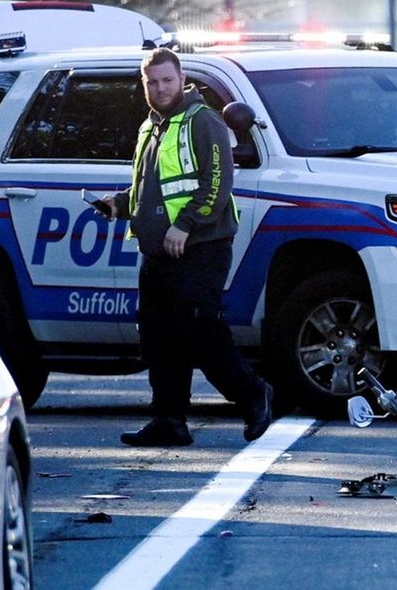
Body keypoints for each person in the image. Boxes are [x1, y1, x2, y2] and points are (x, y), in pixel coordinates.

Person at [98, 48, 275, 445]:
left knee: (201, 332)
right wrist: (119, 204)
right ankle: (169, 420)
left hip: (200, 247)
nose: (160, 88)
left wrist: (185, 225)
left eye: (167, 80)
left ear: (181, 80)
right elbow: (153, 187)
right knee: (158, 337)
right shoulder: (153, 127)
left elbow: (217, 181)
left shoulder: (203, 120)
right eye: (152, 82)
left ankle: (253, 395)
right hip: (158, 251)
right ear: (144, 85)